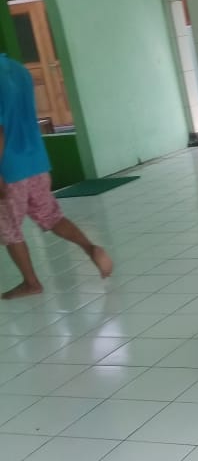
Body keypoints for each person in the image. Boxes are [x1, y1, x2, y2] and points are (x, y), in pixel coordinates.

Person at [0, 53, 112, 299]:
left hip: (10, 167)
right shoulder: (19, 70)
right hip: (37, 160)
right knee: (51, 216)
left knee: (8, 228)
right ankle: (91, 249)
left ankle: (31, 283)